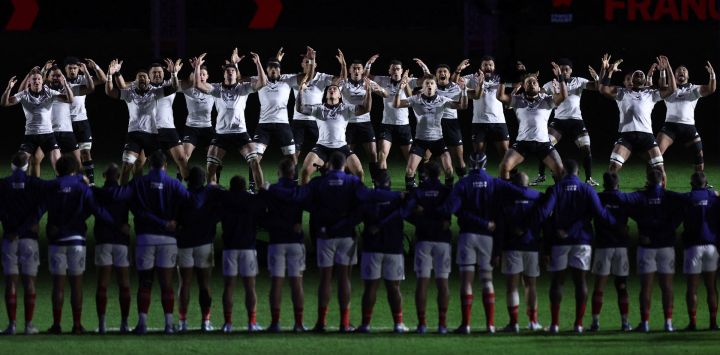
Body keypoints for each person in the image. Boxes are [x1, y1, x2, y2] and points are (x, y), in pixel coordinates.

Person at [276, 152, 398, 333]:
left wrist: (272, 188)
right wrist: (396, 196)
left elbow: (299, 196)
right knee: (344, 278)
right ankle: (344, 323)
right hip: (346, 236)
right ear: (343, 166)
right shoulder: (352, 181)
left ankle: (321, 322)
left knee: (325, 278)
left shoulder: (319, 182)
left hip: (325, 235)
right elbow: (368, 196)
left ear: (330, 165)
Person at [535, 160, 616, 334]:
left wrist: (545, 232)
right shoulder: (587, 189)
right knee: (581, 282)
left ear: (563, 172)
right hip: (582, 241)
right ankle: (578, 324)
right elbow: (600, 214)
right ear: (578, 173)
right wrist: (616, 223)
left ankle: (555, 325)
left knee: (557, 281)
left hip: (560, 242)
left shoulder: (556, 189)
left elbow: (543, 213)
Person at [115, 151, 191, 334]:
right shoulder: (174, 183)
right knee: (167, 284)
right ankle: (168, 325)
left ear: (149, 164)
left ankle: (142, 324)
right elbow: (189, 203)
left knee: (145, 283)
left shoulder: (138, 182)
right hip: (168, 239)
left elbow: (120, 196)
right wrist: (175, 222)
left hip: (145, 239)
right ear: (165, 165)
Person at [45, 154, 115, 334]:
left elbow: (41, 204)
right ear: (75, 169)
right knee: (76, 285)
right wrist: (115, 223)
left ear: (58, 169)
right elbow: (95, 209)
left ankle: (56, 325)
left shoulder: (52, 187)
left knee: (57, 285)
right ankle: (77, 325)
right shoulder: (82, 186)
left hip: (56, 241)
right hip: (76, 239)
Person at [439, 153, 499, 334]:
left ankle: (466, 325)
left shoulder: (463, 183)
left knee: (467, 282)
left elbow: (451, 209)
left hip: (467, 236)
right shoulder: (493, 182)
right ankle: (490, 325)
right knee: (487, 280)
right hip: (487, 237)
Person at [192, 52, 267, 186]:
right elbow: (198, 84)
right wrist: (197, 66)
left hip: (241, 133)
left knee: (254, 162)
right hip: (221, 134)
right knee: (211, 168)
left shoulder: (243, 88)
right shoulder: (217, 89)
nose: (230, 73)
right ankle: (211, 195)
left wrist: (258, 64)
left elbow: (263, 82)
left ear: (236, 73)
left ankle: (262, 193)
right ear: (224, 74)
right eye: (228, 71)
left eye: (233, 70)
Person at [598, 54, 676, 182]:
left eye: (641, 74)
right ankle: (610, 196)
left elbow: (672, 89)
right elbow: (603, 89)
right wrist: (610, 72)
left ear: (645, 80)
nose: (639, 75)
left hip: (646, 137)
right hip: (627, 136)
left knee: (660, 170)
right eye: (636, 74)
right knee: (612, 168)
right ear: (631, 79)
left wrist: (668, 68)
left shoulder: (651, 93)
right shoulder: (622, 92)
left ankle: (660, 198)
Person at [0, 153, 53, 335]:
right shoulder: (35, 183)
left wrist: (13, 229)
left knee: (11, 282)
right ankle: (29, 325)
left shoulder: (3, 183)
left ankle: (12, 325)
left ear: (12, 165)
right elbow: (46, 199)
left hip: (9, 238)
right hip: (29, 238)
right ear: (27, 165)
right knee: (30, 282)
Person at [624, 168, 683, 332]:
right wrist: (671, 227)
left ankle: (645, 323)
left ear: (647, 181)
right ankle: (668, 323)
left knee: (646, 287)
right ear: (662, 181)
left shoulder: (641, 196)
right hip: (666, 247)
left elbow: (624, 201)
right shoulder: (669, 196)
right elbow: (686, 202)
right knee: (667, 287)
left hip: (647, 247)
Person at [104, 59, 177, 184]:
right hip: (134, 136)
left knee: (160, 166)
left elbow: (174, 87)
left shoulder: (155, 92)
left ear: (149, 80)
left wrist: (174, 74)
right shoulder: (129, 94)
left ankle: (161, 191)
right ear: (135, 81)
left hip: (151, 135)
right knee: (127, 166)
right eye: (140, 77)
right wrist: (110, 75)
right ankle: (123, 195)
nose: (142, 79)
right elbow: (110, 91)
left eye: (144, 77)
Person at [531, 58, 600, 187]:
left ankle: (589, 178)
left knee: (586, 148)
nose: (563, 71)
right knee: (544, 146)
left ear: (571, 70)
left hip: (576, 121)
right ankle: (541, 175)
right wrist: (533, 81)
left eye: (566, 69)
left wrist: (596, 76)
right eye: (561, 69)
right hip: (559, 121)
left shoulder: (578, 81)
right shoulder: (551, 83)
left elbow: (597, 87)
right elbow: (537, 94)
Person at [394, 72, 468, 191]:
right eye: (427, 83)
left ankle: (447, 193)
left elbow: (463, 106)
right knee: (409, 171)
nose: (429, 85)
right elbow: (396, 104)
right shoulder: (415, 99)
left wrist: (464, 90)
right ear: (422, 87)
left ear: (435, 86)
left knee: (449, 170)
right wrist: (399, 90)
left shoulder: (442, 100)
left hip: (438, 140)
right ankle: (411, 195)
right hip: (420, 141)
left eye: (432, 83)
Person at [354, 173, 408, 334]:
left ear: (375, 183)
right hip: (394, 248)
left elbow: (356, 216)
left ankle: (365, 324)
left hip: (372, 247)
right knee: (394, 287)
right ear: (389, 183)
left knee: (370, 287)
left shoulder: (368, 197)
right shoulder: (398, 197)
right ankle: (398, 324)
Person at [496, 64, 568, 181]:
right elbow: (500, 96)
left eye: (534, 82)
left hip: (543, 144)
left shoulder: (547, 100)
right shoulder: (517, 100)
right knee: (504, 167)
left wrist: (560, 76)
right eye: (528, 83)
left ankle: (559, 196)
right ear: (524, 86)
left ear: (538, 85)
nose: (532, 84)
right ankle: (507, 194)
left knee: (560, 169)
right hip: (523, 143)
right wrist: (502, 79)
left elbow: (564, 95)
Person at [405, 161, 453, 334]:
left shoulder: (418, 191)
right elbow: (453, 208)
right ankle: (442, 324)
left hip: (424, 238)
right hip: (442, 239)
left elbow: (405, 213)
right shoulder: (446, 191)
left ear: (424, 173)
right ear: (439, 174)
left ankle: (422, 324)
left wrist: (422, 215)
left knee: (422, 283)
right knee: (443, 283)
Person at [295, 79, 372, 184]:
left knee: (359, 172)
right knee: (305, 172)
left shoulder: (347, 108)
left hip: (342, 147)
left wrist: (368, 92)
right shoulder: (318, 109)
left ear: (340, 96)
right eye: (329, 89)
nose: (332, 90)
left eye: (335, 89)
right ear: (326, 95)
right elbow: (300, 108)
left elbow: (366, 108)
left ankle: (356, 198)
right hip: (322, 147)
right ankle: (306, 198)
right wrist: (300, 90)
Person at [263, 158, 308, 332]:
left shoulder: (271, 190)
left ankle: (275, 323)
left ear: (279, 172)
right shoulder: (299, 191)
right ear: (293, 173)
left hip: (276, 241)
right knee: (297, 284)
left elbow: (263, 215)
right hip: (295, 241)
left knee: (276, 283)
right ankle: (298, 323)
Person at [1, 67, 73, 176]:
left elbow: (70, 99)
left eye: (39, 79)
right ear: (29, 81)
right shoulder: (23, 94)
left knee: (59, 165)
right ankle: (19, 188)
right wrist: (8, 88)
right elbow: (4, 103)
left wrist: (66, 85)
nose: (37, 81)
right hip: (30, 135)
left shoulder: (50, 92)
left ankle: (62, 189)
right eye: (34, 79)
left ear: (42, 80)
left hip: (48, 135)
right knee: (19, 163)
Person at [219, 176, 267, 333]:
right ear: (244, 186)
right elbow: (262, 210)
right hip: (248, 248)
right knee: (250, 287)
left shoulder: (225, 199)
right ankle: (252, 323)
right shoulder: (250, 199)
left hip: (230, 248)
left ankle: (227, 323)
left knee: (228, 287)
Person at [176, 167, 222, 332]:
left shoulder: (181, 195)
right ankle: (205, 322)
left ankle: (182, 323)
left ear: (188, 180)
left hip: (184, 244)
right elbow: (219, 213)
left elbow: (174, 216)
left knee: (184, 284)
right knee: (205, 284)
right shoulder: (211, 194)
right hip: (204, 243)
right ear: (203, 180)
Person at [497, 172, 544, 333]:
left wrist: (497, 250)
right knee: (531, 286)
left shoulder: (506, 198)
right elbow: (541, 218)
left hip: (511, 246)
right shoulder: (537, 197)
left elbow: (501, 225)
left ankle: (514, 323)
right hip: (531, 245)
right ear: (527, 183)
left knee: (512, 287)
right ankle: (533, 321)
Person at [589, 172, 632, 332]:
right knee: (621, 286)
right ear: (618, 184)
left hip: (603, 246)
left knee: (599, 286)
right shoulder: (624, 199)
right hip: (620, 247)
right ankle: (625, 323)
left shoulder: (598, 198)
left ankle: (595, 323)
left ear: (604, 184)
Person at [92, 164, 132, 334]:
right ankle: (125, 324)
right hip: (121, 242)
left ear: (104, 176)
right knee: (124, 284)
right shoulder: (125, 193)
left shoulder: (97, 193)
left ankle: (102, 325)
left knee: (102, 285)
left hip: (103, 241)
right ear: (117, 177)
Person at [656, 62, 716, 174]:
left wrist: (712, 75)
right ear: (674, 75)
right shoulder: (669, 89)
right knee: (656, 154)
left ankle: (701, 183)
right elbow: (661, 86)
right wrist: (662, 70)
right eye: (678, 70)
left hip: (688, 127)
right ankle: (655, 182)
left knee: (699, 155)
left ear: (688, 76)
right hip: (670, 126)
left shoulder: (693, 89)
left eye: (684, 70)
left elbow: (711, 89)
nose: (681, 71)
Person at [677, 172, 719, 330]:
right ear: (706, 183)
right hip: (711, 247)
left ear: (692, 184)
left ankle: (693, 322)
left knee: (692, 288)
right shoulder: (713, 197)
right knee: (711, 286)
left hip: (693, 247)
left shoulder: (687, 197)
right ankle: (713, 322)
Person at [364, 56, 416, 176]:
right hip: (387, 125)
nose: (395, 71)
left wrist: (406, 82)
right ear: (389, 71)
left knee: (411, 158)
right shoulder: (383, 80)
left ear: (402, 70)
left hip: (404, 125)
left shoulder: (409, 81)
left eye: (398, 69)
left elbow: (411, 96)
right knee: (382, 154)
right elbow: (366, 77)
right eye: (393, 69)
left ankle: (411, 182)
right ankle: (382, 181)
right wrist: (368, 64)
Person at [456, 56, 510, 160]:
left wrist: (522, 72)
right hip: (479, 122)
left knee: (506, 155)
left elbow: (518, 83)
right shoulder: (473, 78)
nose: (488, 67)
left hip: (499, 122)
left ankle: (508, 176)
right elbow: (455, 82)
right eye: (485, 65)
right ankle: (478, 176)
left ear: (494, 67)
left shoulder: (500, 79)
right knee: (478, 156)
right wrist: (459, 70)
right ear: (481, 67)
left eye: (490, 65)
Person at [65, 57, 108, 185]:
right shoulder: (60, 81)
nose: (72, 70)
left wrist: (95, 67)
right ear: (65, 69)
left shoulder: (83, 79)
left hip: (82, 121)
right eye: (70, 68)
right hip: (65, 123)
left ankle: (91, 183)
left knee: (85, 153)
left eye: (74, 68)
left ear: (78, 69)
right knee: (70, 157)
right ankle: (71, 182)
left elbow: (103, 79)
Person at [47, 64, 94, 165]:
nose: (55, 78)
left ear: (62, 76)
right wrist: (43, 71)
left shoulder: (70, 87)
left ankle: (87, 180)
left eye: (58, 75)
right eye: (53, 76)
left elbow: (90, 88)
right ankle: (62, 179)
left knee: (79, 159)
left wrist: (86, 71)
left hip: (69, 128)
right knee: (40, 158)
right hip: (50, 130)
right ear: (48, 78)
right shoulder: (45, 90)